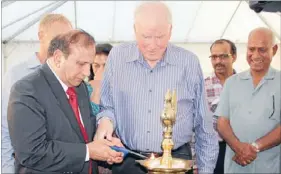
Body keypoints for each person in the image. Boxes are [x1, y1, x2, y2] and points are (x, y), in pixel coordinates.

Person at [95, 2, 219, 174]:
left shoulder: (188, 63)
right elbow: (107, 106)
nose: (153, 45)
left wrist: (206, 171)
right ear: (135, 29)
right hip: (129, 161)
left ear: (170, 30)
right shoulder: (117, 57)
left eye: (160, 36)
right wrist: (105, 122)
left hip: (176, 162)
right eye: (146, 37)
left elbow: (203, 124)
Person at [7, 30, 123, 173]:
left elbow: (83, 134)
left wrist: (106, 146)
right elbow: (32, 152)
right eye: (81, 64)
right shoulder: (27, 90)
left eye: (89, 64)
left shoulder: (79, 87)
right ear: (58, 58)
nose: (87, 72)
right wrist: (88, 151)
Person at [1, 14, 73, 173]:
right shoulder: (16, 75)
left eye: (67, 41)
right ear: (41, 35)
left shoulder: (70, 77)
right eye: (58, 38)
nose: (63, 46)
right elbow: (3, 130)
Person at [216, 27, 280, 173]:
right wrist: (239, 147)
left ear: (274, 50)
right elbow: (222, 122)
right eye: (251, 49)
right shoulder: (232, 82)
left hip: (270, 167)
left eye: (262, 49)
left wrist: (255, 147)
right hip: (235, 166)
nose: (255, 55)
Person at [205, 39, 237, 174]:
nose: (218, 61)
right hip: (213, 150)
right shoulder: (202, 86)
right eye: (214, 57)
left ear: (234, 57)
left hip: (240, 149)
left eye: (223, 56)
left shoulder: (245, 84)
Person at [87, 43, 113, 117]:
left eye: (105, 65)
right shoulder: (84, 88)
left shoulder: (121, 88)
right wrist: (97, 85)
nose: (101, 70)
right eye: (96, 66)